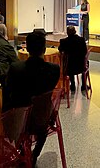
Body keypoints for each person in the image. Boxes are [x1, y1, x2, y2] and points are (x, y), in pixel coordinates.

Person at [5, 31, 60, 164]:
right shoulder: (54, 70)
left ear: (27, 48)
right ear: (44, 49)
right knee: (42, 129)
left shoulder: (15, 68)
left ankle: (22, 152)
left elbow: (8, 92)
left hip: (19, 121)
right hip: (42, 119)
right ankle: (34, 155)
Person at [58, 26, 88, 92]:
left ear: (67, 33)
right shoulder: (82, 40)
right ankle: (84, 85)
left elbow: (60, 50)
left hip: (69, 67)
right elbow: (85, 52)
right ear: (75, 31)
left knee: (69, 62)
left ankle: (73, 84)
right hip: (81, 66)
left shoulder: (63, 41)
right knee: (86, 62)